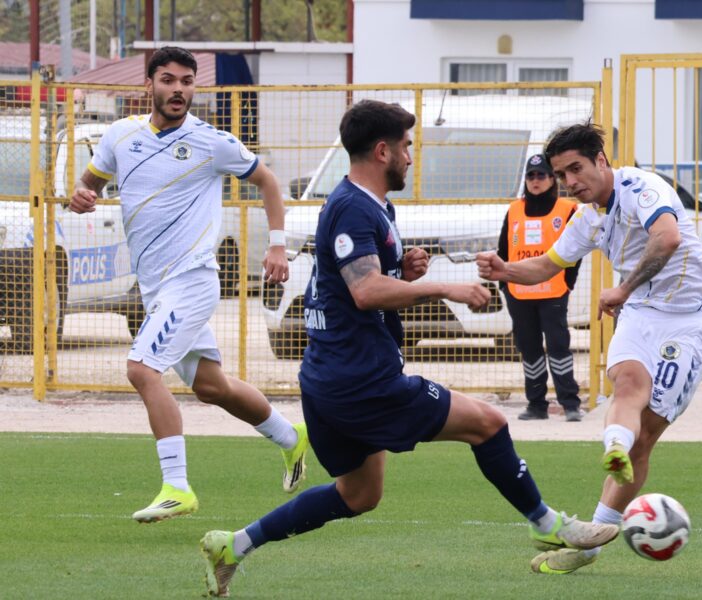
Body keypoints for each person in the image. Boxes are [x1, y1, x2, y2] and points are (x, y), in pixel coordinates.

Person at [198, 100, 618, 597]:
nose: (411, 157)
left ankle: (233, 545)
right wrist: (444, 287)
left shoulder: (371, 204)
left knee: (359, 494)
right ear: (383, 151)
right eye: (407, 147)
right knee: (488, 424)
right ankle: (548, 524)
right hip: (362, 381)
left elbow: (360, 280)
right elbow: (365, 290)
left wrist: (403, 268)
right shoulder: (353, 207)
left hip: (329, 379)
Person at [477, 123, 702, 574]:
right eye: (561, 174)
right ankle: (613, 446)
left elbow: (668, 238)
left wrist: (623, 288)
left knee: (645, 435)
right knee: (628, 384)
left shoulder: (642, 188)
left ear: (601, 160)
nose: (569, 182)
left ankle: (589, 546)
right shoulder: (587, 216)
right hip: (640, 313)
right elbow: (546, 266)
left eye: (576, 169)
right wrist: (505, 270)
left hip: (690, 324)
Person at [69, 46, 309, 523]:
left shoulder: (211, 142)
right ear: (149, 85)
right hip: (155, 288)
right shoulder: (120, 135)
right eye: (168, 80)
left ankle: (177, 487)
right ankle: (291, 437)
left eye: (186, 81)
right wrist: (81, 195)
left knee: (142, 369)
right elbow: (89, 183)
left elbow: (268, 182)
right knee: (212, 387)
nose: (178, 89)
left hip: (193, 280)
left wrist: (278, 246)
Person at [497, 154, 583, 422]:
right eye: (531, 175)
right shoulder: (514, 210)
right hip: (519, 292)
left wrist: (568, 282)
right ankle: (536, 404)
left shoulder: (566, 209)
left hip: (553, 290)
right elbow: (503, 250)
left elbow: (576, 250)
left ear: (552, 179)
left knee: (558, 346)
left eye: (541, 175)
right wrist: (505, 284)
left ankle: (570, 403)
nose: (536, 181)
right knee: (529, 348)